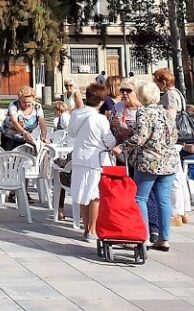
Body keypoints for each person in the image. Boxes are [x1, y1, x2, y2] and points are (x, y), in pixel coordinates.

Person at [113, 80, 178, 252]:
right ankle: (164, 238)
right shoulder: (165, 113)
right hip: (169, 161)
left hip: (150, 161)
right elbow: (174, 136)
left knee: (140, 197)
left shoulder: (144, 112)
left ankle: (144, 237)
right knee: (163, 199)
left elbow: (141, 137)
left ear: (141, 96)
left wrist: (121, 146)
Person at [69, 84, 116, 242]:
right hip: (95, 159)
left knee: (82, 194)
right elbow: (109, 141)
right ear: (101, 101)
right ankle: (92, 230)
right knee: (94, 195)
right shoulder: (100, 119)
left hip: (79, 157)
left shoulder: (75, 114)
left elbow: (71, 133)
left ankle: (86, 228)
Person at [0, 86, 49, 151]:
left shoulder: (37, 107)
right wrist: (24, 132)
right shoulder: (13, 105)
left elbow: (42, 124)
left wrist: (44, 137)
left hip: (26, 138)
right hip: (9, 137)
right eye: (24, 102)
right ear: (19, 99)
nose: (26, 104)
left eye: (29, 102)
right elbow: (14, 122)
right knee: (8, 158)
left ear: (33, 99)